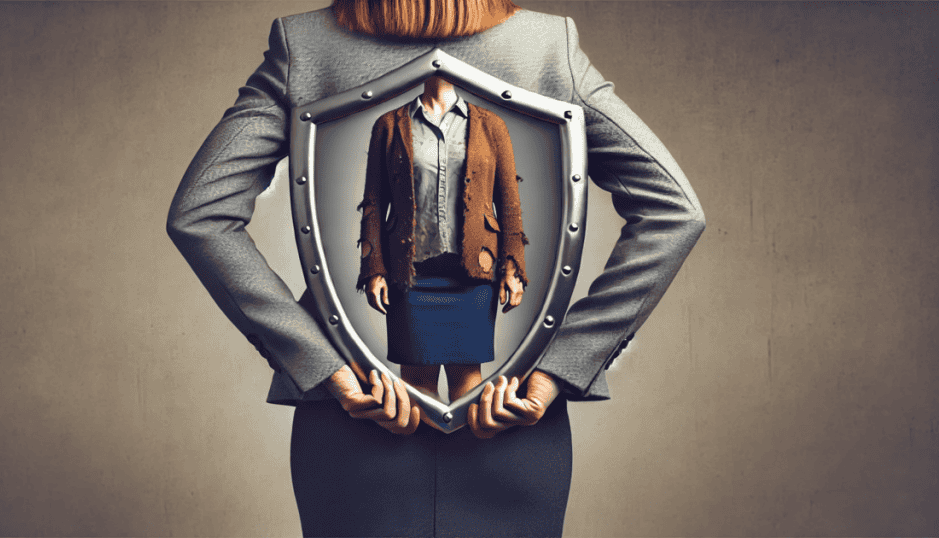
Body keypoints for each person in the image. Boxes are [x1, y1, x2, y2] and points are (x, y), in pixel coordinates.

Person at [166, 0, 705, 535]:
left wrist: (319, 363)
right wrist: (559, 369)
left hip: (408, 402)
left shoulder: (304, 48)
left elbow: (201, 213)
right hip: (479, 400)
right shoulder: (546, 48)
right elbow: (673, 209)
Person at [358, 75, 527, 402]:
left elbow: (509, 202)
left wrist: (512, 267)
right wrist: (374, 269)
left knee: (468, 381)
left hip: (473, 276)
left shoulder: (491, 125)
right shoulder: (390, 125)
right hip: (411, 276)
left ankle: (464, 453)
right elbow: (374, 203)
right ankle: (424, 454)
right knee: (417, 384)